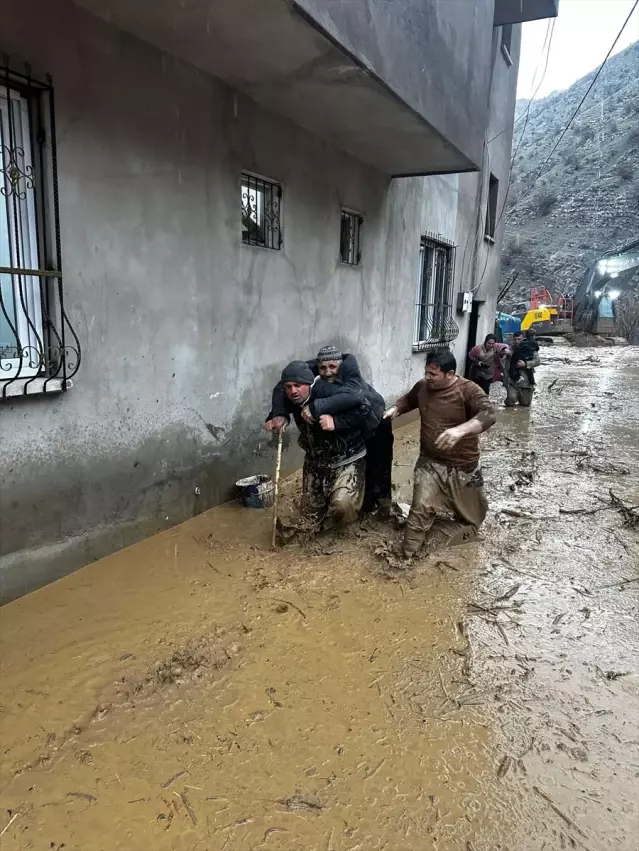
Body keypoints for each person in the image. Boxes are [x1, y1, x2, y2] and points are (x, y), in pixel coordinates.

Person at [384, 349, 496, 559]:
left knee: (474, 518)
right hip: (429, 462)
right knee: (419, 510)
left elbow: (489, 414)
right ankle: (408, 558)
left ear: (450, 374)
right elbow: (409, 400)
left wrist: (460, 430)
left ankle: (461, 548)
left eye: (433, 374)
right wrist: (396, 409)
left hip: (464, 466)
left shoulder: (468, 390)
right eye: (426, 372)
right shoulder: (423, 387)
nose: (427, 377)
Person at [270, 346, 393, 515]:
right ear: (316, 370)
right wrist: (278, 414)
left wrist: (334, 420)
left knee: (376, 473)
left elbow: (362, 402)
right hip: (320, 457)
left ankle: (380, 506)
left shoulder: (338, 388)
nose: (328, 373)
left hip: (376, 423)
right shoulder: (299, 386)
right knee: (310, 512)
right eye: (323, 368)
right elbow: (281, 387)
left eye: (333, 367)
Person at [264, 360, 371, 529]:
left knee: (342, 507)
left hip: (347, 458)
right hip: (316, 462)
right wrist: (278, 415)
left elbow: (365, 406)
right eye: (289, 387)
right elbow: (280, 403)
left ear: (309, 384)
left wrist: (336, 422)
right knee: (309, 518)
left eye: (298, 385)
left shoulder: (328, 391)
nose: (293, 391)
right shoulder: (291, 397)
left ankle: (350, 518)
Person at [503, 330, 540, 408]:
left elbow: (537, 361)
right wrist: (503, 351)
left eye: (519, 339)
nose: (517, 341)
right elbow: (499, 352)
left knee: (525, 405)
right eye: (515, 339)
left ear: (523, 339)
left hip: (526, 382)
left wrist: (525, 364)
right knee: (510, 401)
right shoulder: (510, 349)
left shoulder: (531, 348)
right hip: (513, 381)